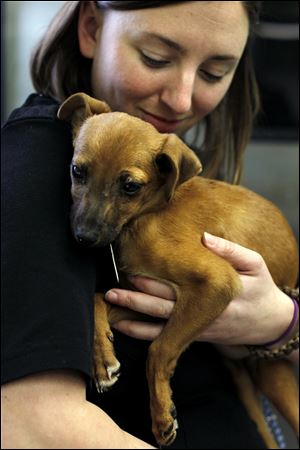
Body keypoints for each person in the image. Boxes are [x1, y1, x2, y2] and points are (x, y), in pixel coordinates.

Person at [1, 1, 298, 449]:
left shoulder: (164, 176)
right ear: (91, 28)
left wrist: (281, 323)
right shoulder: (42, 156)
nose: (181, 98)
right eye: (156, 58)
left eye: (215, 73)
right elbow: (31, 423)